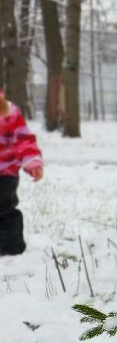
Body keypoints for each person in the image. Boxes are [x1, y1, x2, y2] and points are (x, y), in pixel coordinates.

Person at [0, 85, 45, 256]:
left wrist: (32, 162)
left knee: (5, 209)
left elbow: (23, 140)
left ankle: (12, 247)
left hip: (4, 175)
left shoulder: (9, 112)